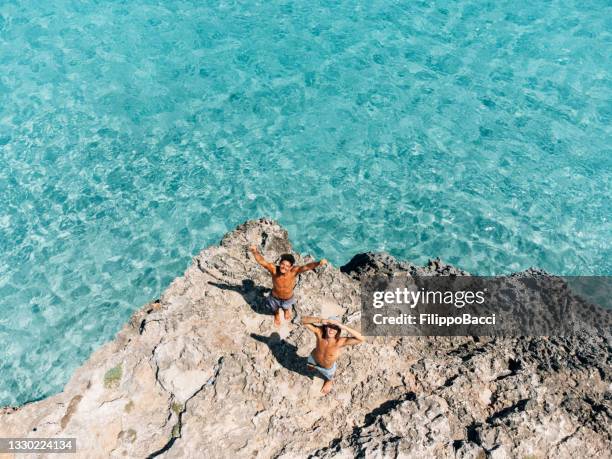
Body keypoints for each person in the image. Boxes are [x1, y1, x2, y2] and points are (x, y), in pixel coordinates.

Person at [249, 245, 327, 326]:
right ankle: (277, 314)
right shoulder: (274, 269)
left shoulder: (294, 272)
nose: (284, 267)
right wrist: (254, 251)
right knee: (274, 308)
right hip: (274, 297)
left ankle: (286, 311)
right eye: (282, 264)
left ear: (291, 267)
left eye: (287, 266)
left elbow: (306, 267)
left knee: (286, 307)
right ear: (280, 263)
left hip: (288, 298)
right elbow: (262, 262)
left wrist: (318, 263)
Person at [301, 316, 364, 394]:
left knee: (329, 376)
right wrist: (320, 320)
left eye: (335, 328)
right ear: (326, 327)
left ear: (338, 330)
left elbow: (362, 338)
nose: (331, 330)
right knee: (310, 365)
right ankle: (312, 366)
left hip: (327, 368)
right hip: (313, 358)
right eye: (330, 326)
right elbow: (302, 320)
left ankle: (329, 381)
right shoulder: (319, 333)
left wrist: (344, 327)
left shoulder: (340, 342)